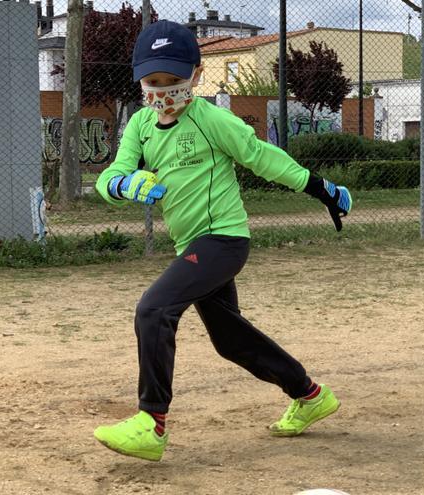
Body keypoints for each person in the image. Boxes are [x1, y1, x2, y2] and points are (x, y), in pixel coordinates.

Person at [92, 20, 352, 462]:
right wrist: (123, 186)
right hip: (191, 247)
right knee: (229, 340)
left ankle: (151, 423)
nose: (163, 91)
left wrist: (319, 187)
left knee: (154, 309)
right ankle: (310, 395)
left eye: (173, 81)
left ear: (195, 75)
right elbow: (111, 175)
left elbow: (261, 156)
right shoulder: (139, 124)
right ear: (140, 80)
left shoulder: (211, 120)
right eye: (153, 82)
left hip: (223, 241)